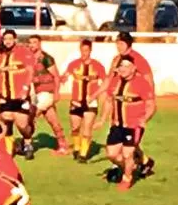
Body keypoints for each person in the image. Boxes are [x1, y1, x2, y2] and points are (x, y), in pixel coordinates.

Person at [95, 56, 156, 191]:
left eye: (126, 66)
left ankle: (127, 178)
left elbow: (151, 105)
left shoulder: (141, 83)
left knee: (128, 154)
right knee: (111, 154)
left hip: (133, 126)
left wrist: (144, 119)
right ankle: (130, 167)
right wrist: (102, 119)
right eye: (121, 66)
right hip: (117, 125)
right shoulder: (115, 82)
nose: (122, 69)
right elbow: (109, 101)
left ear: (133, 68)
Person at [101, 31, 155, 174]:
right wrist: (98, 94)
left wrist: (149, 101)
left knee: (128, 143)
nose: (118, 46)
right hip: (118, 100)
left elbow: (148, 80)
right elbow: (109, 78)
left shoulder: (138, 60)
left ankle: (128, 169)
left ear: (128, 44)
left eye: (121, 43)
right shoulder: (116, 60)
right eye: (117, 43)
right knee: (123, 140)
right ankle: (143, 162)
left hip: (132, 103)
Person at [0, 30, 36, 159]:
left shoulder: (24, 53)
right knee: (6, 121)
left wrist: (25, 89)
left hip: (20, 96)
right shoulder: (0, 57)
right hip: (5, 96)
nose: (8, 41)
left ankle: (27, 142)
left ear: (15, 39)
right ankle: (9, 150)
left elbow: (30, 71)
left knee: (22, 125)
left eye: (10, 38)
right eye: (5, 39)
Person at [62, 40, 107, 162]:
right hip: (76, 101)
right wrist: (61, 79)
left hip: (90, 102)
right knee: (75, 128)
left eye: (86, 51)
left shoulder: (98, 66)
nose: (84, 53)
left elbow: (106, 82)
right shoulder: (74, 64)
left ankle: (83, 154)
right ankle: (77, 148)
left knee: (87, 129)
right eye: (82, 51)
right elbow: (65, 76)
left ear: (90, 51)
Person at [28, 35, 69, 155]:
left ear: (39, 44)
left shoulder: (46, 58)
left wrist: (56, 93)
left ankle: (27, 144)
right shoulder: (29, 58)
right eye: (30, 43)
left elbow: (56, 76)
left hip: (47, 92)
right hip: (36, 93)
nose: (32, 45)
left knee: (31, 115)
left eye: (34, 42)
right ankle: (63, 145)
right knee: (53, 120)